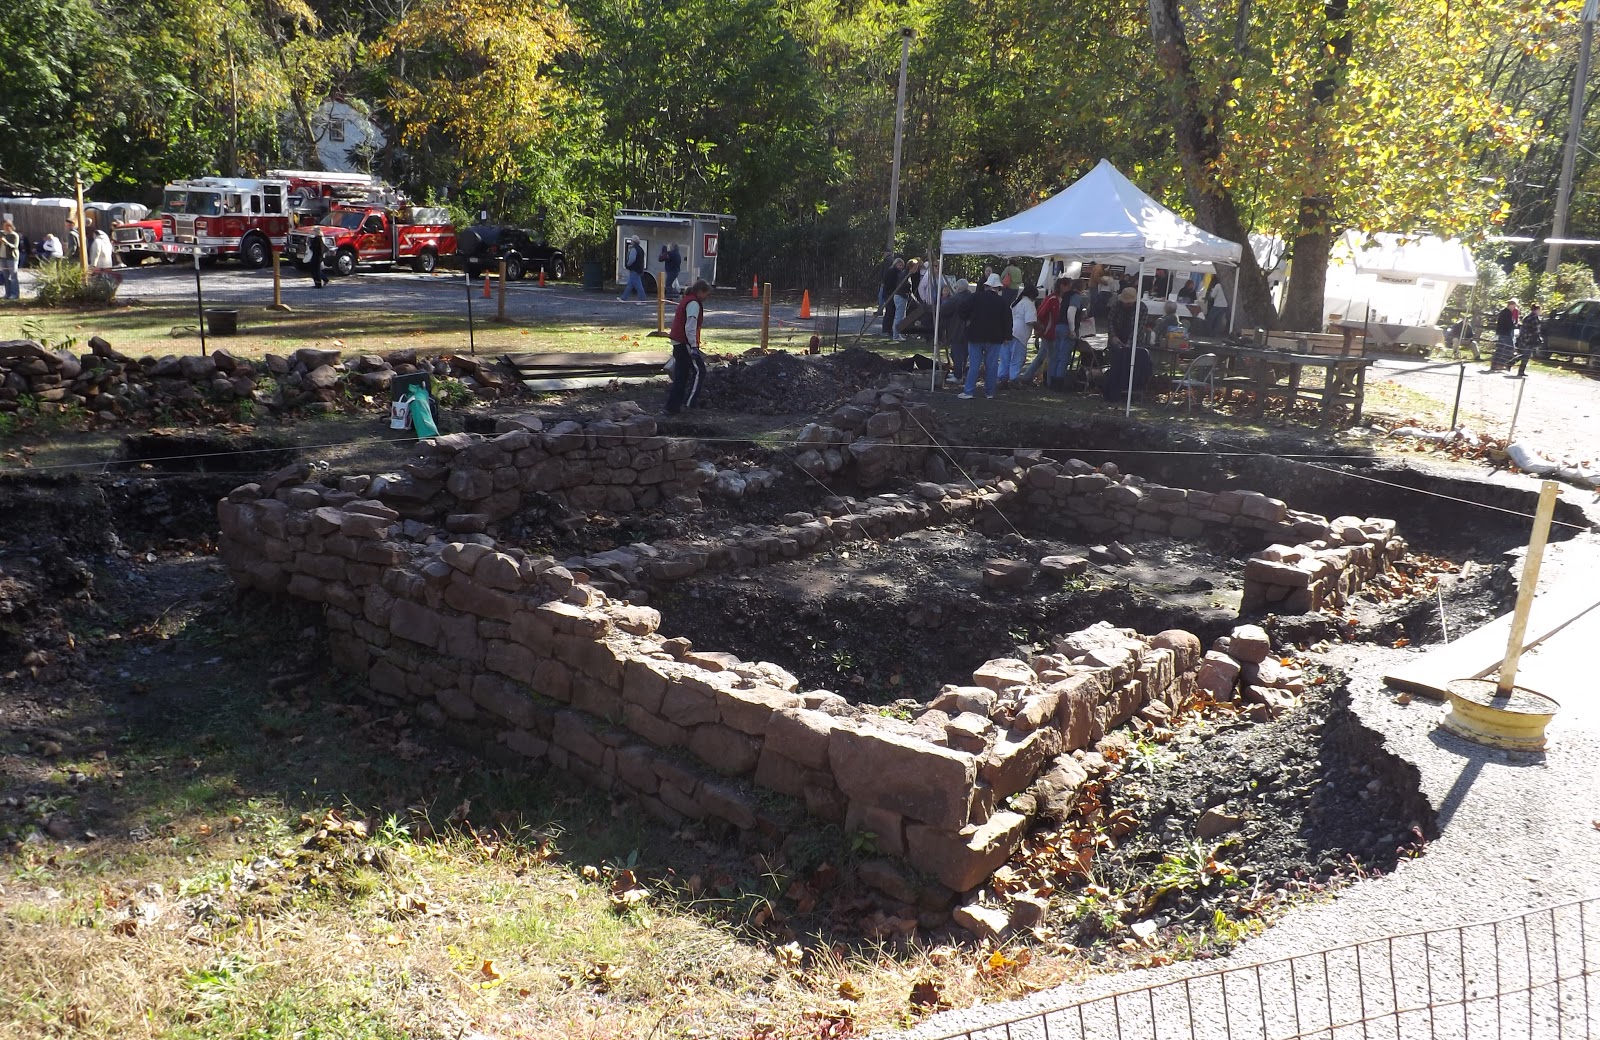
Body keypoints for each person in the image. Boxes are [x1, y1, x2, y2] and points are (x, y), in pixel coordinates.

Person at [957, 273, 1013, 400]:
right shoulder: (1002, 302)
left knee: (974, 365)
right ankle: (989, 392)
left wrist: (967, 319)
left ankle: (969, 391)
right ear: (998, 288)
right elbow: (1008, 320)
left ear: (987, 285)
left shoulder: (976, 297)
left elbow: (962, 309)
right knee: (992, 366)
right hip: (995, 338)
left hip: (975, 335)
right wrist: (1007, 336)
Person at [665, 279, 712, 413]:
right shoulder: (693, 303)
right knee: (699, 371)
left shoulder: (687, 299)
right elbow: (690, 326)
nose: (707, 298)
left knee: (681, 375)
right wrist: (693, 346)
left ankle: (672, 407)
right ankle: (690, 404)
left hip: (678, 342)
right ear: (700, 292)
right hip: (685, 342)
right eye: (707, 294)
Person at [938, 278, 972, 384]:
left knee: (956, 352)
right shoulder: (971, 297)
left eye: (956, 287)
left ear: (959, 288)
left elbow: (944, 309)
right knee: (965, 353)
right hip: (969, 330)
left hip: (957, 329)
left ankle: (958, 375)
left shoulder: (956, 298)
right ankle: (961, 372)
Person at [1005, 281, 1038, 385]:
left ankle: (1003, 377)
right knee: (1017, 357)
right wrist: (1040, 327)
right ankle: (1014, 378)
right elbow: (1030, 320)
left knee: (1006, 357)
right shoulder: (1029, 304)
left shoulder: (1016, 302)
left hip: (1010, 330)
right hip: (1020, 333)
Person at [1510, 304, 1543, 378]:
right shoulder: (1535, 318)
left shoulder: (1527, 317)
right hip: (1530, 339)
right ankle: (1520, 371)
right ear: (1536, 310)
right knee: (1526, 355)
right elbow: (1535, 330)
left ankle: (1510, 364)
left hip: (1523, 338)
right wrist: (1539, 338)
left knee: (1523, 354)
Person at [1490, 298, 1518, 371]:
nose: (1514, 308)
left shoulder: (1503, 312)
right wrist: (1516, 326)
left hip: (1502, 332)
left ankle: (1494, 364)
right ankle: (1501, 363)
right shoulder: (1507, 313)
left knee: (1500, 349)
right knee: (1509, 348)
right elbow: (1508, 324)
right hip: (1506, 333)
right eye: (1514, 306)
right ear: (1511, 305)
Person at [880, 257, 904, 336]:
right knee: (889, 312)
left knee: (893, 312)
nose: (900, 267)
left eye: (901, 265)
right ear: (895, 264)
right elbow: (889, 283)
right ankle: (885, 329)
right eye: (899, 265)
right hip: (889, 293)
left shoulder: (899, 273)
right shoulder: (891, 272)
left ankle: (890, 329)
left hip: (895, 293)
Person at [618, 236, 646, 302]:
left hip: (634, 269)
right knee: (630, 285)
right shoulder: (640, 249)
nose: (631, 242)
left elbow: (631, 259)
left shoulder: (634, 249)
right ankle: (623, 298)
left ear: (633, 241)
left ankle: (642, 300)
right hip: (639, 269)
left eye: (631, 241)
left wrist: (627, 264)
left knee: (638, 286)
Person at [0, 220, 19, 300]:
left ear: (10, 226)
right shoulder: (3, 234)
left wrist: (6, 242)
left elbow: (14, 246)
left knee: (13, 276)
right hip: (3, 258)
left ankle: (15, 294)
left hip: (11, 258)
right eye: (4, 226)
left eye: (6, 226)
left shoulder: (14, 235)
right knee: (5, 277)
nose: (5, 228)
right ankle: (7, 294)